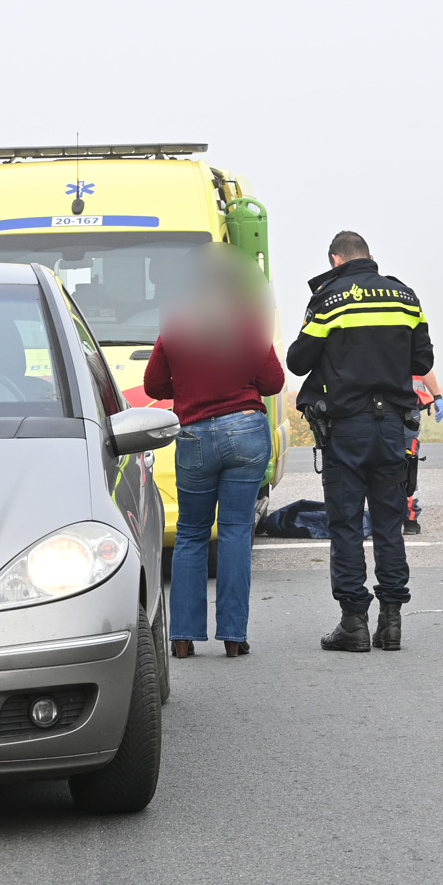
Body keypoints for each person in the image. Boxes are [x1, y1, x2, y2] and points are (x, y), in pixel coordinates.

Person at [286, 231, 434, 653]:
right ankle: (391, 622)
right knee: (390, 524)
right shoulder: (405, 297)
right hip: (392, 426)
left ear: (335, 259)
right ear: (370, 256)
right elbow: (423, 361)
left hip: (346, 428)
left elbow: (298, 362)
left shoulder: (329, 298)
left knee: (346, 525)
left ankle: (353, 623)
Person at [144, 273, 285, 659]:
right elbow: (273, 381)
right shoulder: (248, 326)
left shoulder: (176, 328)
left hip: (195, 437)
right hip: (246, 431)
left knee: (191, 533)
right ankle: (234, 636)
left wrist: (190, 387)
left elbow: (154, 385)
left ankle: (184, 638)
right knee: (236, 531)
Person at [403, 370, 443, 535]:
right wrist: (437, 397)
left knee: (406, 461)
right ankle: (408, 518)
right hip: (400, 407)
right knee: (406, 461)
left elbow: (424, 366)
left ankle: (409, 517)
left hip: (404, 406)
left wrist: (437, 397)